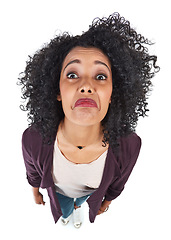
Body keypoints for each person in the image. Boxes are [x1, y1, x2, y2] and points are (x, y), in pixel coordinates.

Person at [19, 12, 159, 228]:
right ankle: (68, 214)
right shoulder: (33, 138)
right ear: (57, 90)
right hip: (60, 194)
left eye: (100, 76)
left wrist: (107, 201)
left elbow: (117, 183)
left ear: (113, 93)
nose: (86, 85)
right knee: (65, 208)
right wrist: (35, 191)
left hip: (89, 194)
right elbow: (32, 170)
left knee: (80, 203)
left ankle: (78, 210)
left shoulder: (129, 145)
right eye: (72, 75)